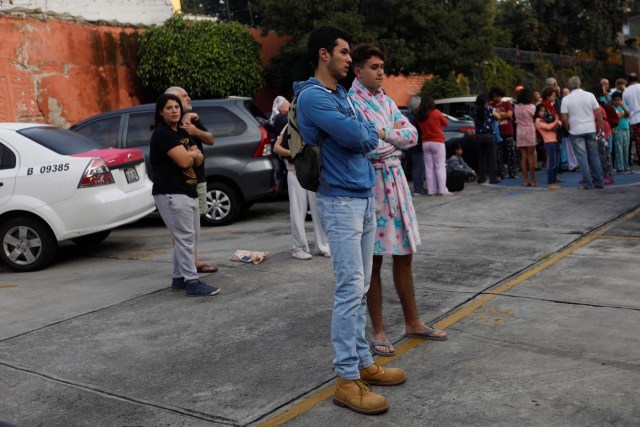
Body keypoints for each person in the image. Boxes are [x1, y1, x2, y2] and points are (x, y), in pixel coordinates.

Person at [295, 26, 405, 416]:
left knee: (359, 289)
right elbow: (361, 137)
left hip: (362, 195)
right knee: (348, 289)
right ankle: (345, 378)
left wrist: (366, 131)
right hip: (339, 200)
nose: (348, 58)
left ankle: (362, 363)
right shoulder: (312, 97)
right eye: (343, 52)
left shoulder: (341, 95)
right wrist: (369, 130)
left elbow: (364, 134)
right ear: (324, 54)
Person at [348, 43, 447, 360]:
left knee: (404, 254)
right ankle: (377, 330)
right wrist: (390, 136)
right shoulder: (351, 102)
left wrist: (384, 134)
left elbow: (412, 135)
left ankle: (412, 321)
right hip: (372, 185)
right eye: (374, 67)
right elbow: (367, 147)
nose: (381, 72)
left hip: (396, 183)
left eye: (382, 67)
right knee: (373, 259)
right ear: (358, 70)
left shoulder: (385, 100)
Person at [150, 94, 220, 296]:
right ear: (161, 112)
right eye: (169, 107)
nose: (174, 110)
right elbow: (185, 161)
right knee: (184, 238)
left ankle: (179, 277)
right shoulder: (162, 134)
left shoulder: (181, 132)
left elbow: (198, 158)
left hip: (188, 190)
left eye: (177, 107)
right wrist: (192, 154)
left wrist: (192, 155)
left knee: (190, 237)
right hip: (171, 192)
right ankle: (192, 281)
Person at [164, 86, 218, 274]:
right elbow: (188, 157)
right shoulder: (168, 128)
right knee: (181, 229)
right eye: (184, 96)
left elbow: (210, 140)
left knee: (194, 227)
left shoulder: (193, 119)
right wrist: (193, 154)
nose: (189, 98)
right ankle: (186, 268)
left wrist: (195, 131)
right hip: (178, 184)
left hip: (198, 179)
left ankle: (191, 261)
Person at [273, 125, 330, 260]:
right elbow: (277, 147)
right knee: (298, 210)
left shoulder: (315, 122)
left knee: (319, 210)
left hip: (314, 172)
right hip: (295, 171)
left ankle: (323, 245)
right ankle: (299, 247)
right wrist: (295, 152)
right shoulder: (291, 124)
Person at [560, 76, 605, 190]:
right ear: (580, 84)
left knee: (582, 158)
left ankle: (587, 183)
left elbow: (564, 118)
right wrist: (600, 128)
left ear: (569, 86)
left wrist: (568, 128)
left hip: (575, 130)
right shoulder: (590, 95)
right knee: (594, 156)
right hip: (590, 128)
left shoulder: (566, 99)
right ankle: (599, 181)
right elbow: (598, 113)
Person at [416, 95, 450, 195]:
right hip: (437, 142)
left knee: (429, 167)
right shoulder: (436, 113)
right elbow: (446, 123)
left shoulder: (420, 116)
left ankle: (431, 190)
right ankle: (442, 190)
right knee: (440, 166)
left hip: (425, 143)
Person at [472, 93, 501, 184]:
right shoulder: (490, 109)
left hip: (479, 136)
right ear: (485, 102)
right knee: (492, 158)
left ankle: (482, 178)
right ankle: (493, 178)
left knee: (482, 158)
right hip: (489, 136)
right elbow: (498, 117)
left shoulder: (474, 111)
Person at [489, 86, 518, 179]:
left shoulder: (507, 103)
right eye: (493, 96)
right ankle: (500, 174)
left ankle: (513, 173)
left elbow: (510, 114)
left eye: (497, 96)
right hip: (497, 134)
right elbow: (491, 116)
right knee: (499, 155)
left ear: (501, 96)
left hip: (508, 132)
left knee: (511, 154)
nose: (495, 98)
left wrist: (498, 115)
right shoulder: (491, 106)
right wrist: (503, 115)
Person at [534, 103, 562, 189]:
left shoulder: (547, 118)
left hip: (556, 141)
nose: (543, 112)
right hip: (549, 142)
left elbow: (560, 123)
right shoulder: (538, 120)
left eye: (544, 110)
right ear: (537, 112)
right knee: (552, 163)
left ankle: (554, 180)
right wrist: (556, 121)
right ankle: (550, 183)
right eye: (541, 111)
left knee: (556, 163)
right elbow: (549, 127)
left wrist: (556, 121)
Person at [514, 88, 537, 187]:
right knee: (530, 156)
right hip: (529, 131)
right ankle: (533, 180)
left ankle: (525, 180)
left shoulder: (516, 107)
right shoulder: (532, 107)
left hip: (519, 131)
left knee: (523, 157)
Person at [267, 96, 290, 193]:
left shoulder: (280, 117)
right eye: (285, 102)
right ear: (280, 108)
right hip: (285, 151)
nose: (288, 102)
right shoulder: (282, 118)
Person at [404, 96, 426, 195]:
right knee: (418, 167)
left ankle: (419, 187)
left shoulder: (409, 116)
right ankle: (418, 188)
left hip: (413, 146)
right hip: (415, 146)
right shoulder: (413, 118)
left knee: (419, 167)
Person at [622, 73, 640, 165]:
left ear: (628, 80)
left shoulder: (626, 91)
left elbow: (624, 107)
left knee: (638, 141)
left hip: (634, 119)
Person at [612, 91, 632, 173]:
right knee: (618, 149)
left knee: (626, 148)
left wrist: (623, 108)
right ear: (613, 100)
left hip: (626, 129)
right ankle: (620, 167)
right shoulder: (612, 108)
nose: (617, 101)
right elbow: (618, 116)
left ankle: (626, 166)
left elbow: (628, 114)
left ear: (621, 100)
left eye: (619, 100)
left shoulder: (625, 106)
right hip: (617, 129)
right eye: (615, 100)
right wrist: (624, 114)